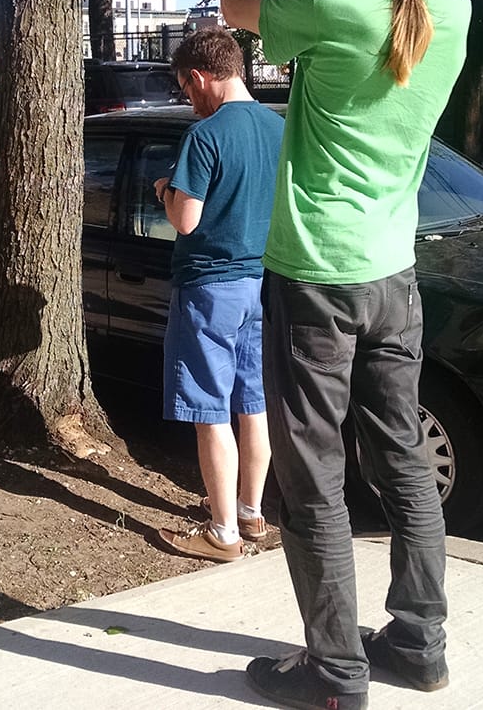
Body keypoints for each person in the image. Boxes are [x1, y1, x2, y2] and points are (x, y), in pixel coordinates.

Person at [217, 0, 472, 709]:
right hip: (393, 278)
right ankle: (419, 644)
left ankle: (334, 673)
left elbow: (237, 8)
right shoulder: (451, 4)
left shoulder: (328, 8)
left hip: (314, 278)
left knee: (314, 475)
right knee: (403, 461)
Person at [152, 28, 285, 564]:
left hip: (209, 287)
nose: (190, 100)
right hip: (263, 280)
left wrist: (165, 191)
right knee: (253, 403)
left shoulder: (205, 137)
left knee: (211, 409)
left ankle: (222, 532)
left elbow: (186, 220)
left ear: (200, 77)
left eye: (187, 89)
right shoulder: (279, 127)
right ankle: (252, 515)